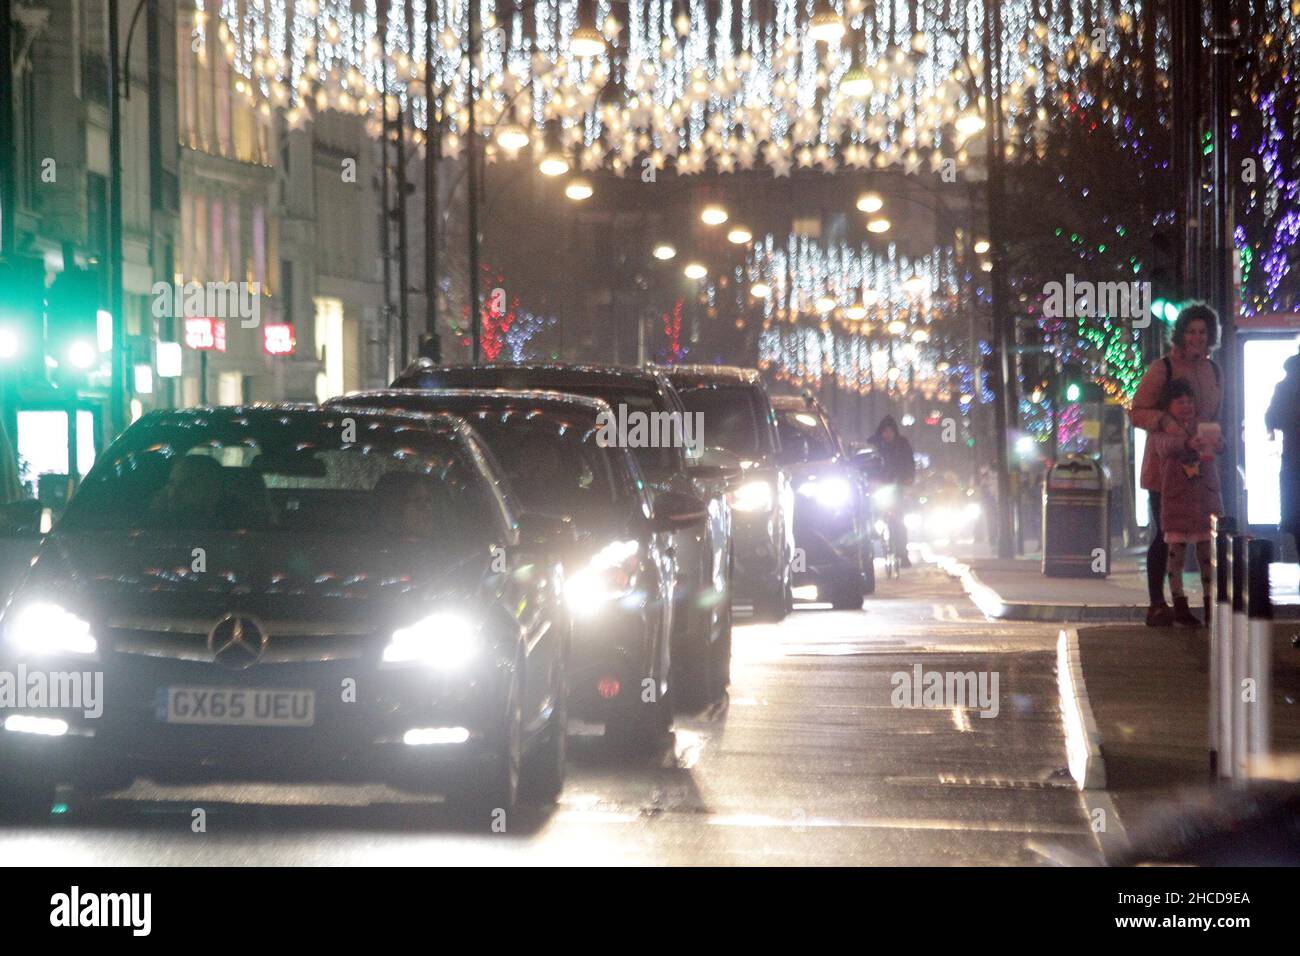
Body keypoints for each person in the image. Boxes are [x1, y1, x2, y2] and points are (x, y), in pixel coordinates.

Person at [1130, 304, 1223, 627]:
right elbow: (1137, 411)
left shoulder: (1213, 370)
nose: (1197, 337)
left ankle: (1201, 602)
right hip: (1165, 467)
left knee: (1201, 535)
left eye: (1203, 331)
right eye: (1191, 331)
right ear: (1181, 334)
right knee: (1166, 534)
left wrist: (1213, 438)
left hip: (1200, 467)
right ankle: (1158, 603)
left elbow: (1212, 416)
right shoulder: (1163, 368)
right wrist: (1166, 421)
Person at [1147, 379, 1224, 626]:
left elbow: (1221, 447)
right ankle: (1180, 605)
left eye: (1189, 401)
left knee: (1206, 555)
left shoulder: (1203, 425)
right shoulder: (1164, 429)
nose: (1186, 406)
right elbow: (1163, 447)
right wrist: (1186, 443)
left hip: (1203, 497)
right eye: (1180, 402)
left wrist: (1216, 441)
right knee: (1175, 557)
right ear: (1168, 405)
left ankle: (1211, 604)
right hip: (1177, 499)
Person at [1265, 346, 1300, 562]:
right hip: (1293, 461)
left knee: (1297, 522)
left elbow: (1272, 417)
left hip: (1293, 462)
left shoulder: (1285, 386)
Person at [870, 415, 915, 568]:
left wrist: (908, 479)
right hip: (877, 487)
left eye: (890, 431)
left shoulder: (902, 444)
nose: (888, 434)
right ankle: (869, 549)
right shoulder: (873, 444)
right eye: (885, 431)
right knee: (870, 516)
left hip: (896, 487)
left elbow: (909, 463)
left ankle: (902, 554)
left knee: (899, 521)